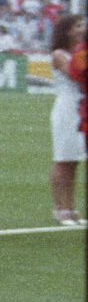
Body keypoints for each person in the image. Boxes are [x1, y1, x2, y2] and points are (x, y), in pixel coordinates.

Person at [53, 14, 84, 227]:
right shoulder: (59, 54)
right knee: (63, 159)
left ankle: (71, 208)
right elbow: (75, 74)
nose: (82, 28)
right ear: (67, 31)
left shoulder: (81, 52)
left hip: (82, 107)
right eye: (78, 26)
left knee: (74, 160)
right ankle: (60, 209)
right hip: (67, 108)